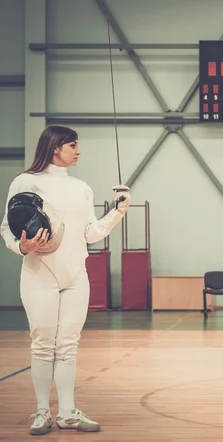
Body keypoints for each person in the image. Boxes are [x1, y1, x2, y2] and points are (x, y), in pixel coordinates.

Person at [0, 125, 131, 435]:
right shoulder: (25, 182)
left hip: (75, 274)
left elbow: (90, 233)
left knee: (69, 345)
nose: (78, 151)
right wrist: (22, 246)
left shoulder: (81, 188)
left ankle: (68, 413)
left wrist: (118, 212)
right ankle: (42, 412)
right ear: (55, 147)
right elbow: (7, 227)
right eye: (73, 145)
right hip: (38, 272)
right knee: (43, 345)